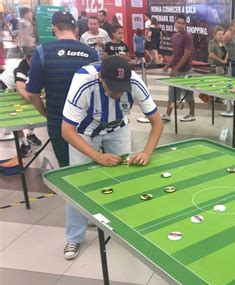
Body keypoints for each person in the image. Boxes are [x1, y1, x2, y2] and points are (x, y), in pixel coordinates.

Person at [61, 56, 164, 260]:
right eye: (113, 88)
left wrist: (146, 152)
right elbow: (66, 130)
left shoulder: (134, 81)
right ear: (100, 78)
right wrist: (96, 156)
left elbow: (157, 122)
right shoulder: (83, 80)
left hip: (118, 128)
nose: (118, 93)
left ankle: (121, 226)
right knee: (79, 183)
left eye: (121, 88)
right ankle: (74, 237)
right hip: (84, 131)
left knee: (124, 176)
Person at [26, 11, 99, 168]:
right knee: (91, 166)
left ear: (54, 28)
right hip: (88, 121)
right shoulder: (91, 53)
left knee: (66, 167)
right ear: (76, 30)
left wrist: (45, 112)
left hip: (58, 120)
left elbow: (32, 92)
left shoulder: (42, 52)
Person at [0, 49, 41, 157]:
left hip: (23, 85)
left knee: (33, 109)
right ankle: (24, 143)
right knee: (15, 118)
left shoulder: (39, 62)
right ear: (27, 59)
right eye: (32, 61)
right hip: (7, 86)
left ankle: (30, 135)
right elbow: (20, 87)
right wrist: (35, 99)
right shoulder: (22, 67)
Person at [162, 14, 195, 123]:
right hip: (176, 70)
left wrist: (175, 69)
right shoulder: (175, 36)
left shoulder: (188, 37)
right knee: (172, 94)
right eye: (178, 23)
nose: (180, 25)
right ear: (175, 23)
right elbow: (175, 54)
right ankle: (167, 114)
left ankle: (192, 114)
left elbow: (186, 55)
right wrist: (168, 65)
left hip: (186, 71)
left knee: (188, 95)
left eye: (182, 23)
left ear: (185, 24)